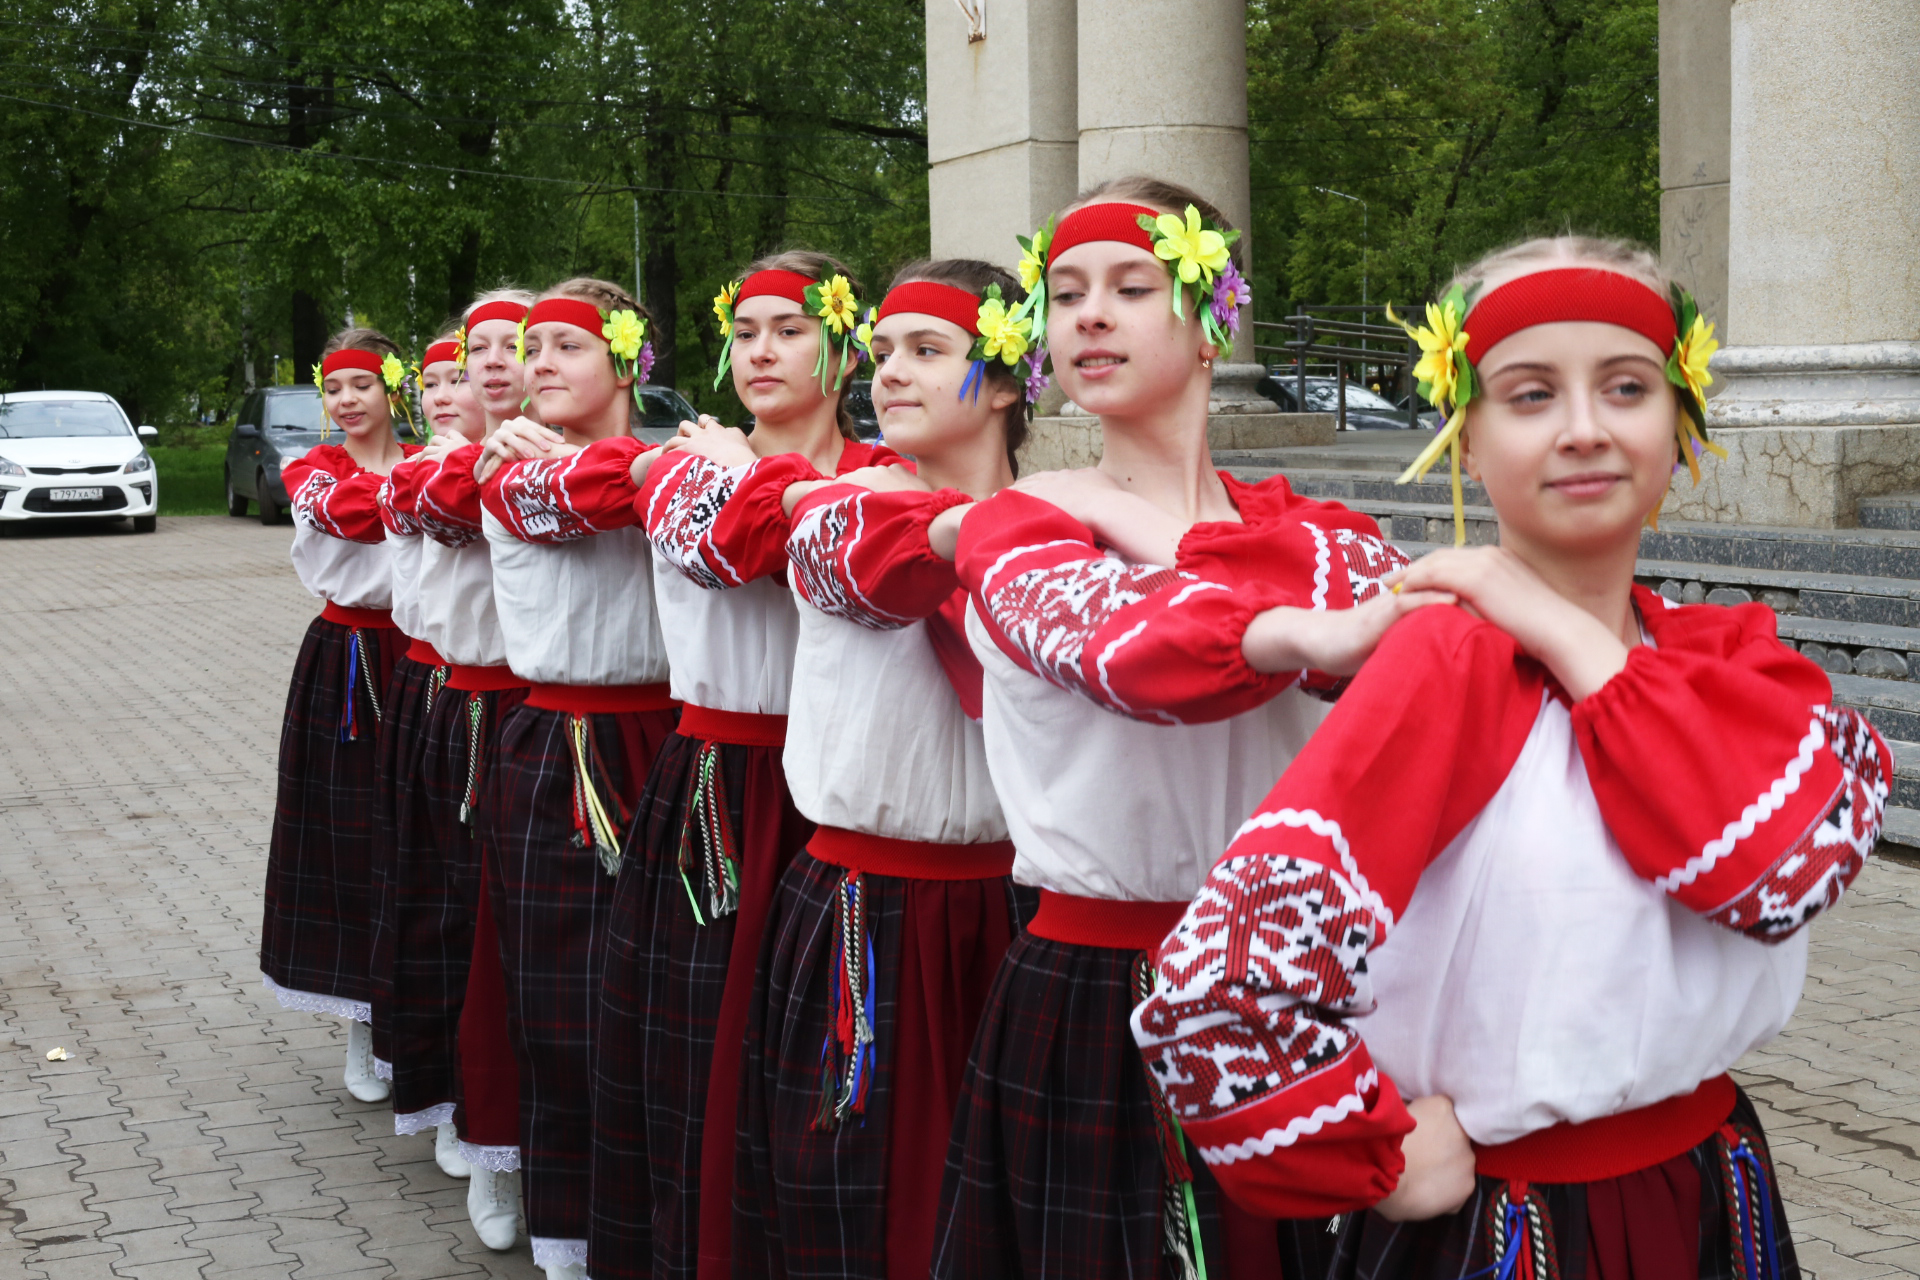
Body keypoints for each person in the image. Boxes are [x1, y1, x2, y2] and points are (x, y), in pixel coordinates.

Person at [1129, 237, 1893, 1278]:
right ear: (1468, 442)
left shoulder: (1724, 658)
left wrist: (1565, 630)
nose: (1584, 428)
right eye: (1530, 394)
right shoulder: (1447, 664)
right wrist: (1376, 1156)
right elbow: (1216, 989)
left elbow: (1782, 872)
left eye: (1626, 387)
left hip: (1712, 1192)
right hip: (1516, 1229)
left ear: (1682, 426)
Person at [931, 177, 1434, 1279]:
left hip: (1298, 983)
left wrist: (1154, 530)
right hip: (1100, 990)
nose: (1088, 316)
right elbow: (1141, 654)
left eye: (1130, 286)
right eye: (1064, 294)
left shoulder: (1318, 531)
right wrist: (1310, 625)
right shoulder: (1021, 524)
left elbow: (1402, 653)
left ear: (1212, 324)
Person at [732, 259, 1044, 1280]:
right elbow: (894, 569)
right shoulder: (842, 507)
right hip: (863, 906)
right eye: (881, 354)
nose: (889, 374)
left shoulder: (1062, 534)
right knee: (856, 1191)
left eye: (927, 351)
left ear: (1003, 382)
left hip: (1015, 909)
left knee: (1004, 1196)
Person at [590, 251, 897, 1280]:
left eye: (792, 328)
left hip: (849, 789)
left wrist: (761, 470)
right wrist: (748, 470)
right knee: (704, 1042)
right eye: (748, 329)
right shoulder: (685, 466)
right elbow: (736, 548)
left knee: (823, 1061)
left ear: (844, 347)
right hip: (723, 780)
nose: (763, 350)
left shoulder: (882, 473)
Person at [475, 277, 678, 1280]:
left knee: (659, 1001)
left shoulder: (666, 459)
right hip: (561, 746)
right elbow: (603, 496)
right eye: (532, 345)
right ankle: (566, 1220)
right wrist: (690, 463)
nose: (539, 362)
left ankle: (652, 1214)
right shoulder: (511, 470)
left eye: (567, 345)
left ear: (626, 360)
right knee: (562, 1001)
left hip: (671, 742)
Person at [399, 296, 547, 1250]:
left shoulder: (584, 454)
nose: (494, 363)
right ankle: (468, 1112)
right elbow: (441, 504)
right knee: (457, 910)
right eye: (478, 348)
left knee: (532, 943)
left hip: (554, 716)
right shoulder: (446, 466)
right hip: (470, 699)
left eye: (517, 345)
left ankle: (542, 1142)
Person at [261, 328, 420, 1103]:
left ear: (394, 388)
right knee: (351, 840)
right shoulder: (311, 472)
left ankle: (413, 1019)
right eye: (335, 390)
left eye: (363, 385)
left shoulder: (430, 461)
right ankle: (361, 1020)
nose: (348, 401)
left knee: (414, 844)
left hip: (422, 661)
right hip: (348, 662)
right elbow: (360, 520)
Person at [368, 328, 477, 1180]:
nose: (445, 392)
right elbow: (432, 501)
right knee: (441, 901)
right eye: (434, 379)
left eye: (463, 375)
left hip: (539, 709)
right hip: (447, 687)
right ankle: (448, 1093)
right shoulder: (417, 473)